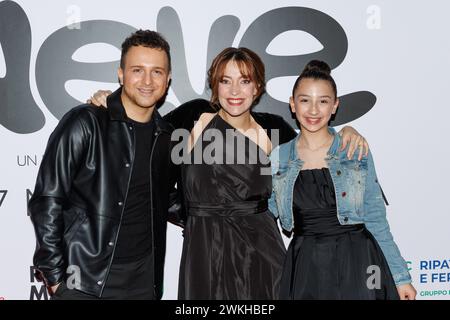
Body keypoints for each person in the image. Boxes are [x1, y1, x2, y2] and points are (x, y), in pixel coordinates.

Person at [89, 48, 368, 299]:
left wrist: (344, 132)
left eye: (244, 81)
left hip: (261, 253)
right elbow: (146, 150)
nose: (235, 90)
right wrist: (114, 103)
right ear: (215, 85)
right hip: (204, 249)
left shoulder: (274, 130)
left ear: (257, 86)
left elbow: (313, 148)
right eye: (225, 80)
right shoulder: (192, 120)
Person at [29, 30, 176, 300]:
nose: (147, 80)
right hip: (83, 281)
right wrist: (55, 279)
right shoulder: (85, 122)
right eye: (137, 70)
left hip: (144, 282)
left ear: (167, 80)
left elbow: (166, 198)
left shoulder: (165, 135)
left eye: (157, 72)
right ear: (121, 74)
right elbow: (47, 199)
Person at [269, 60, 416, 300]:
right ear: (292, 104)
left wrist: (401, 278)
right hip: (307, 266)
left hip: (360, 262)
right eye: (305, 100)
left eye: (323, 101)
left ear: (334, 106)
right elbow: (263, 211)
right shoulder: (279, 157)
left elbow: (375, 218)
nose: (314, 110)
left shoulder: (354, 150)